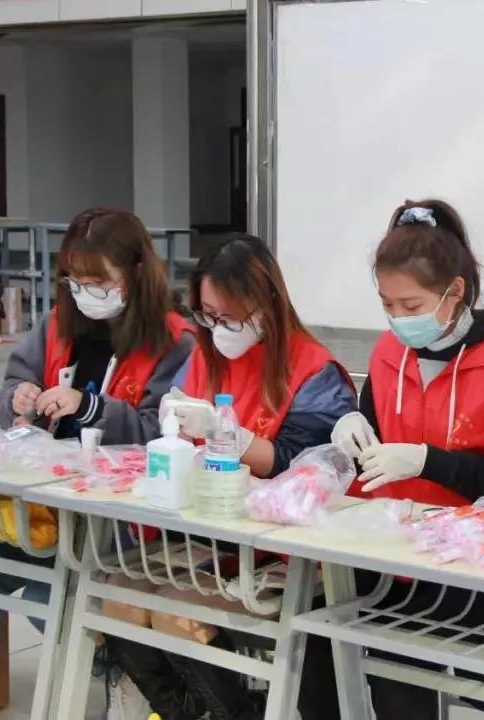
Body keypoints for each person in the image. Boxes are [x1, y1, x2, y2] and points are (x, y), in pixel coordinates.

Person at [0, 208, 195, 720]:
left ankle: (121, 664)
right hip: (44, 508)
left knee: (49, 593)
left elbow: (165, 433)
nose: (85, 293)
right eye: (75, 281)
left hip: (117, 529)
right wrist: (18, 398)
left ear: (137, 272)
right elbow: (11, 387)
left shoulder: (174, 341)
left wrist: (90, 407)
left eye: (98, 282)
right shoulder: (58, 324)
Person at [307, 198, 484, 719]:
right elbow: (374, 448)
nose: (398, 320)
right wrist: (351, 431)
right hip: (394, 559)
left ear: (454, 292)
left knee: (409, 669)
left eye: (412, 306)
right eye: (387, 305)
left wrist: (428, 462)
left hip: (480, 575)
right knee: (315, 644)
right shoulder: (388, 353)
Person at [103, 232, 357, 720]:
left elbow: (306, 467)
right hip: (212, 533)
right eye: (208, 316)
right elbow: (176, 420)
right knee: (118, 596)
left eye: (230, 317)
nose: (218, 329)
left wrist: (231, 438)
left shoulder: (314, 371)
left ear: (266, 303)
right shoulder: (206, 354)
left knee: (177, 611)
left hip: (280, 549)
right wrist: (173, 419)